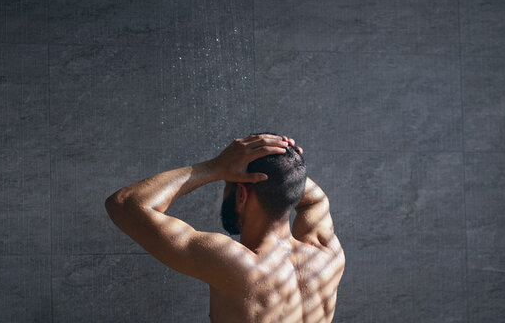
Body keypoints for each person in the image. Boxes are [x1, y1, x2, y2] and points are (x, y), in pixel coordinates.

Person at [105, 133, 345, 323]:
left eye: (226, 185)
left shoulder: (235, 264)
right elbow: (315, 199)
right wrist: (287, 161)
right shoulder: (326, 252)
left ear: (241, 194)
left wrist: (215, 167)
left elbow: (125, 204)